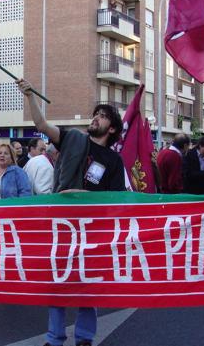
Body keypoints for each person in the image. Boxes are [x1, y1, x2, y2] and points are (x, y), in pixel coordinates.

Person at [18, 79, 125, 346]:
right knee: (58, 282)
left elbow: (116, 198)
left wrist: (81, 196)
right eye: (96, 114)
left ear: (111, 128)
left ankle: (85, 338)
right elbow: (42, 126)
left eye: (102, 117)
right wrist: (30, 95)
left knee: (87, 285)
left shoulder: (114, 160)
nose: (96, 118)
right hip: (62, 224)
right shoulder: (73, 139)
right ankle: (55, 338)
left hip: (92, 230)